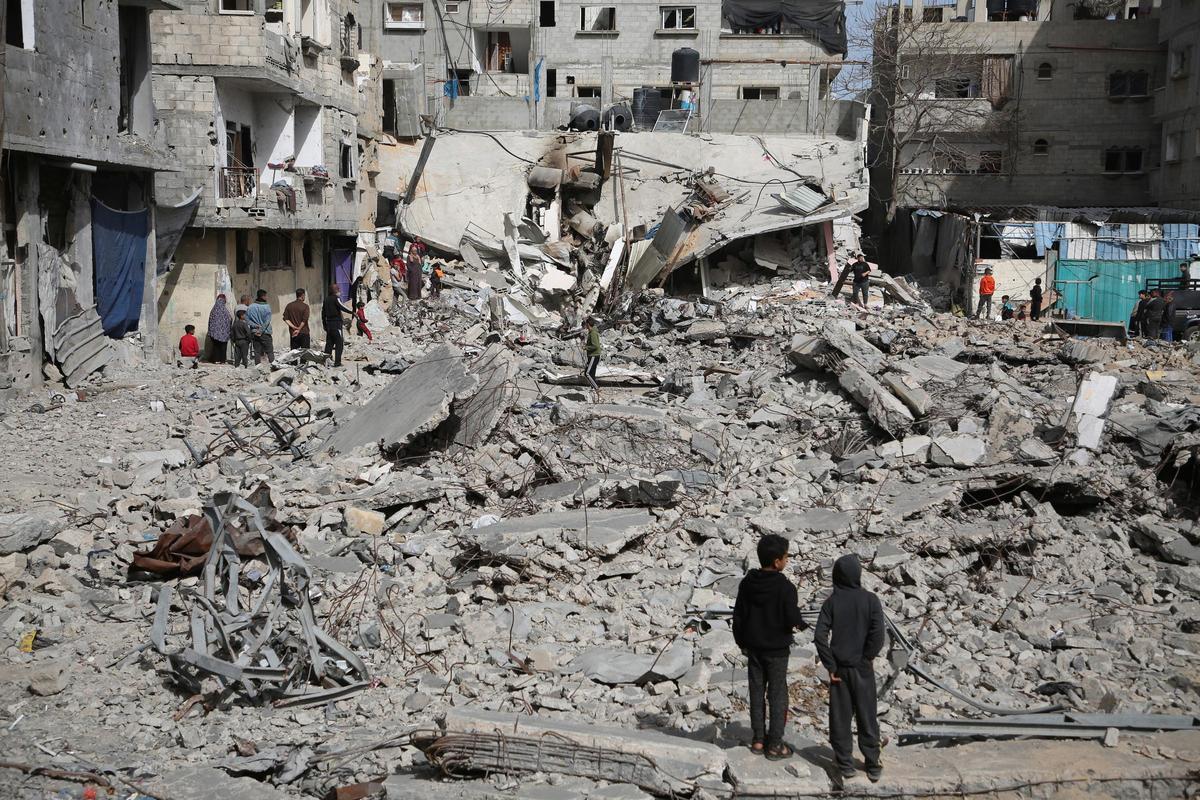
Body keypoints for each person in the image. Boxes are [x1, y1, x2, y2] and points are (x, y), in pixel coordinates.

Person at [731, 534, 805, 761]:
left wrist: (741, 642)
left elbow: (738, 616)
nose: (787, 560)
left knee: (756, 692)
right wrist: (800, 624)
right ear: (776, 561)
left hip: (753, 649)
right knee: (778, 694)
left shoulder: (748, 583)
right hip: (777, 651)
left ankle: (758, 739)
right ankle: (775, 744)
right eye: (786, 557)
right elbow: (791, 618)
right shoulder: (785, 588)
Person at [815, 554, 885, 786]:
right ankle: (872, 763)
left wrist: (830, 665)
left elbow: (820, 636)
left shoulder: (832, 602)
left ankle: (845, 764)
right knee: (867, 715)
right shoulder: (871, 600)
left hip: (840, 671)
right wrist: (868, 657)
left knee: (840, 718)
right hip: (863, 668)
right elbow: (878, 634)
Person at [322, 283, 352, 367]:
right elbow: (342, 307)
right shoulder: (336, 298)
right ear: (334, 290)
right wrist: (352, 312)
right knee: (339, 343)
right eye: (338, 289)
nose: (339, 290)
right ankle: (337, 362)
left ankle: (326, 361)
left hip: (329, 324)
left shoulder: (326, 300)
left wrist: (324, 324)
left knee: (329, 343)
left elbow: (323, 313)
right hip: (336, 324)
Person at [245, 289, 274, 364]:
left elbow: (247, 320)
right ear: (263, 296)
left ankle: (258, 368)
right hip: (265, 333)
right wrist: (260, 330)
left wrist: (255, 326)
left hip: (254, 332)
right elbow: (267, 321)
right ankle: (273, 367)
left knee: (257, 352)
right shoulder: (267, 307)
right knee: (270, 351)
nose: (267, 298)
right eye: (266, 296)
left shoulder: (251, 307)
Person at [206, 293, 232, 363]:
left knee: (215, 346)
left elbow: (210, 321)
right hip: (224, 333)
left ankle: (215, 359)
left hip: (214, 333)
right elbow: (230, 319)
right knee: (223, 347)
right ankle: (222, 360)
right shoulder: (226, 311)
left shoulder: (213, 310)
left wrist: (210, 331)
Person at [583, 317, 602, 398]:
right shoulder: (592, 332)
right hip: (593, 355)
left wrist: (586, 348)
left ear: (588, 324)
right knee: (592, 373)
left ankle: (596, 388)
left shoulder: (593, 333)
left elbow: (595, 346)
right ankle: (593, 389)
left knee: (587, 373)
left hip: (594, 355)